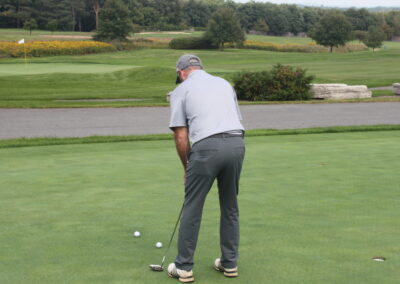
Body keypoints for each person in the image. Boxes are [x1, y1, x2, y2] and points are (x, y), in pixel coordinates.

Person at [167, 54, 245, 283]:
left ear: (181, 72)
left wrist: (186, 166)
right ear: (201, 68)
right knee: (230, 205)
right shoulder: (224, 83)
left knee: (193, 206)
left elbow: (181, 136)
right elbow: (234, 120)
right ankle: (229, 264)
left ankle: (183, 267)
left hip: (206, 148)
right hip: (237, 144)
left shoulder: (180, 90)